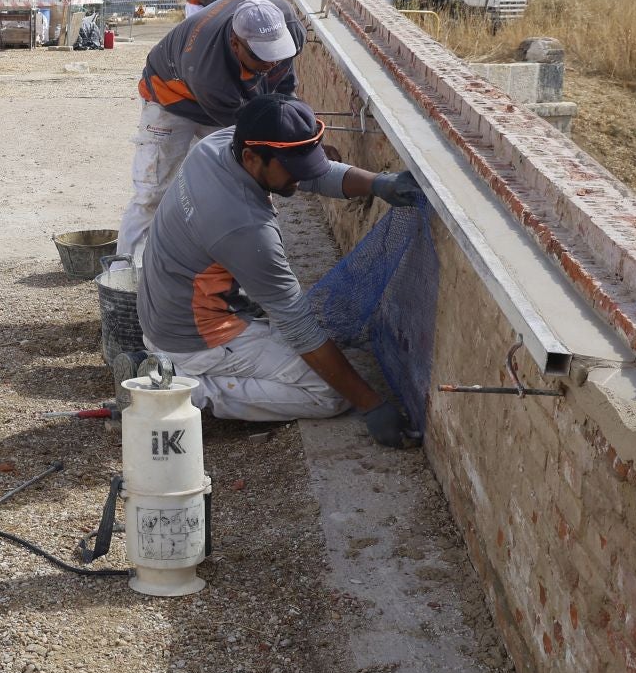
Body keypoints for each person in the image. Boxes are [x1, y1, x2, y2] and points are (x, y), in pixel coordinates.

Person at [136, 93, 424, 446]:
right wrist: (371, 405)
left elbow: (311, 175)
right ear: (252, 158)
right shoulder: (244, 227)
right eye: (293, 171)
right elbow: (298, 326)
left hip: (169, 308)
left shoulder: (222, 144)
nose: (299, 180)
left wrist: (378, 183)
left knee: (330, 362)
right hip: (194, 338)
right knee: (329, 394)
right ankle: (185, 388)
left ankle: (179, 365)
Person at [116, 0, 307, 259]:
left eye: (276, 52)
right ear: (235, 42)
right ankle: (125, 272)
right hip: (171, 98)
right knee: (153, 193)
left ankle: (250, 259)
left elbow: (283, 87)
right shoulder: (208, 72)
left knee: (244, 185)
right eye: (261, 56)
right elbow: (247, 135)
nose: (271, 61)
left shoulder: (287, 24)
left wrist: (299, 136)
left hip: (222, 97)